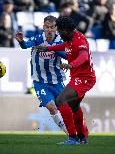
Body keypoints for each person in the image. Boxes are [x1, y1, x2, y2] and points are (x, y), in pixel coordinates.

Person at [34, 16, 96, 144]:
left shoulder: (80, 40)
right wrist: (48, 48)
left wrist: (71, 65)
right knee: (74, 106)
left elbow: (83, 56)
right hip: (78, 77)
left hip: (85, 78)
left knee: (61, 100)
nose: (59, 34)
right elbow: (65, 45)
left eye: (60, 31)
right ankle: (82, 136)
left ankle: (72, 137)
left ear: (67, 30)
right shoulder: (70, 38)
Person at [15, 15, 68, 135]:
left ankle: (78, 131)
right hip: (40, 82)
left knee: (66, 109)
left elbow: (67, 56)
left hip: (57, 81)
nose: (49, 30)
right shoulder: (38, 38)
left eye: (52, 27)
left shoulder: (61, 41)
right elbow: (25, 46)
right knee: (51, 107)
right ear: (43, 27)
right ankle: (68, 133)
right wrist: (21, 41)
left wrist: (51, 48)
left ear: (56, 28)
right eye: (47, 27)